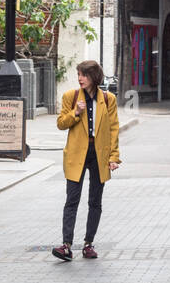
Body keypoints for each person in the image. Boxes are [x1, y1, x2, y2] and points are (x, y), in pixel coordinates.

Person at [52, 60, 121, 261]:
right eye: (79, 74)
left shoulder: (108, 100)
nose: (80, 78)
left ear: (94, 77)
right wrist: (75, 113)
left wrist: (114, 157)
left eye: (84, 75)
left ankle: (89, 244)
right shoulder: (70, 97)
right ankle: (66, 245)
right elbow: (60, 124)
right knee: (72, 200)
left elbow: (113, 129)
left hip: (99, 154)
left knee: (95, 201)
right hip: (76, 154)